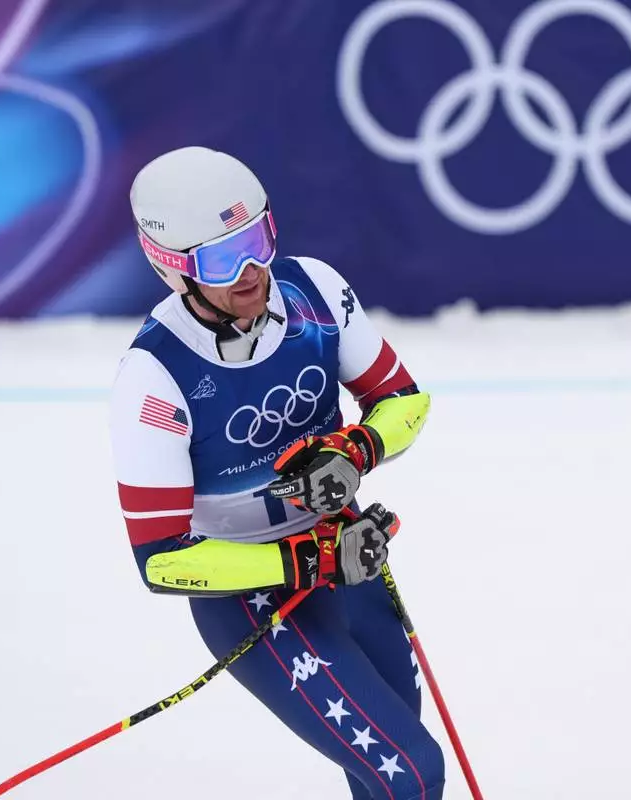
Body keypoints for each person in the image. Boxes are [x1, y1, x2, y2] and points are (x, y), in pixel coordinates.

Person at [109, 146, 442, 799]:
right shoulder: (154, 380)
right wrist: (309, 560)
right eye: (221, 260)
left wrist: (356, 450)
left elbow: (403, 401)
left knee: (390, 766)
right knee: (411, 771)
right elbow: (163, 562)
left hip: (348, 556)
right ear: (173, 269)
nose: (250, 270)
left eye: (256, 240)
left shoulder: (314, 292)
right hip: (254, 597)